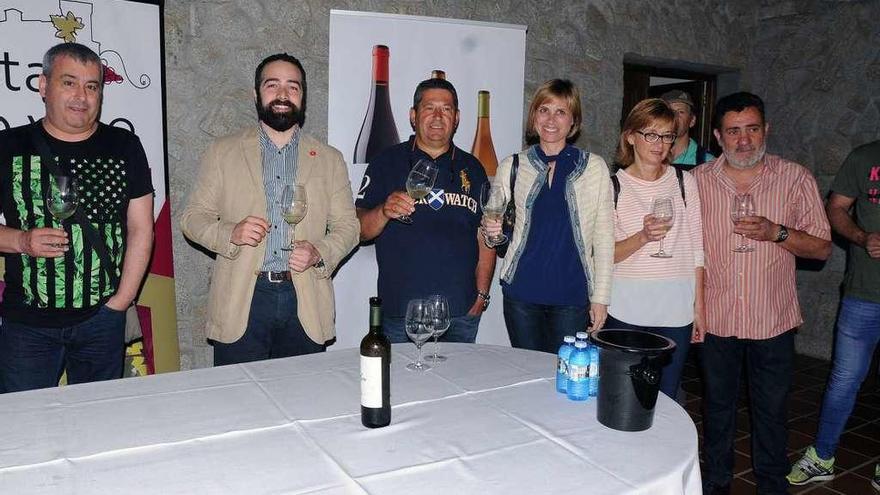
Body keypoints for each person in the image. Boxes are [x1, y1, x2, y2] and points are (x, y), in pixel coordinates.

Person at [180, 53, 359, 365]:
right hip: (242, 298)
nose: (282, 94)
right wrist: (230, 233)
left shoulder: (329, 159)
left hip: (304, 300)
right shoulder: (222, 152)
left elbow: (349, 226)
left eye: (293, 87)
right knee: (240, 402)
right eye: (272, 85)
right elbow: (193, 218)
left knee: (300, 399)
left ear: (302, 97)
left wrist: (319, 252)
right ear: (256, 94)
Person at [695, 92, 831, 495]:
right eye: (734, 132)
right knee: (717, 409)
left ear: (765, 130)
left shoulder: (796, 178)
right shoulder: (697, 182)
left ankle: (771, 485)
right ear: (718, 136)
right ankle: (716, 482)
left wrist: (778, 233)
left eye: (752, 129)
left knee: (771, 412)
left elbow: (822, 247)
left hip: (772, 319)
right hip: (716, 316)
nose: (744, 140)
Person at [0, 42, 154, 392]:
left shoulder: (124, 146)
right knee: (25, 428)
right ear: (43, 85)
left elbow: (141, 228)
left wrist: (119, 303)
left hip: (102, 320)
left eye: (91, 86)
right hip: (27, 324)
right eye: (69, 83)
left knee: (100, 426)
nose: (81, 96)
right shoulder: (7, 146)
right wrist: (21, 240)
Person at [356, 78, 494, 343]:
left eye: (447, 109)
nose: (438, 116)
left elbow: (485, 235)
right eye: (430, 107)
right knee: (400, 384)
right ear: (413, 115)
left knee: (457, 385)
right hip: (400, 312)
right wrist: (384, 211)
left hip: (460, 313)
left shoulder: (473, 168)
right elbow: (359, 230)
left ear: (457, 118)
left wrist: (481, 295)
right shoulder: (385, 162)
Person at [482, 79, 614, 352]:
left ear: (573, 122)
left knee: (566, 374)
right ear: (534, 117)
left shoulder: (594, 168)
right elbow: (494, 226)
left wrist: (600, 298)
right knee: (527, 373)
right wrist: (491, 232)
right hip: (522, 293)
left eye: (561, 112)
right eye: (544, 110)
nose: (551, 119)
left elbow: (604, 237)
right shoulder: (513, 165)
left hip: (572, 295)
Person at [786, 140, 880, 492]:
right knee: (843, 379)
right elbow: (837, 207)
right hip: (863, 294)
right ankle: (822, 456)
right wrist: (861, 236)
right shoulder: (865, 157)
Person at [606, 98, 704, 398]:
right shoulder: (613, 186)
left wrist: (699, 306)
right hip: (626, 307)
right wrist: (643, 237)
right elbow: (605, 256)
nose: (659, 143)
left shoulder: (685, 181)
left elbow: (697, 249)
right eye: (650, 134)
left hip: (676, 308)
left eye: (666, 135)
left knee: (667, 397)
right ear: (631, 136)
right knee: (624, 396)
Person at [660, 89, 715, 171]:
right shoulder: (648, 156)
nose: (674, 116)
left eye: (680, 112)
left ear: (692, 120)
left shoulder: (708, 162)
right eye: (669, 112)